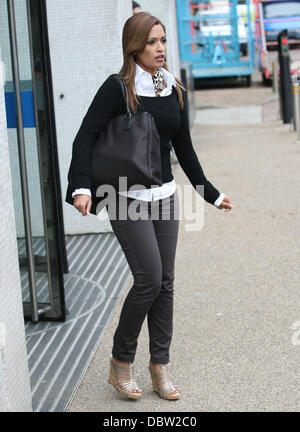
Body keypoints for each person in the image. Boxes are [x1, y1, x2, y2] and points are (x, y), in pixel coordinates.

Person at [66, 12, 234, 401]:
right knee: (149, 279)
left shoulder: (172, 87)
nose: (160, 48)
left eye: (163, 41)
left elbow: (184, 147)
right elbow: (84, 137)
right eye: (152, 42)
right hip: (125, 195)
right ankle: (120, 363)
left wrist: (210, 192)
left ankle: (160, 365)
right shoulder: (118, 87)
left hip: (164, 196)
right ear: (134, 47)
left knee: (166, 283)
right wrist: (81, 187)